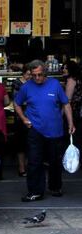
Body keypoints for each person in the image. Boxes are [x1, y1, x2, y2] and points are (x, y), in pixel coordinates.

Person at [14, 59, 75, 202]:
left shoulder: (54, 84)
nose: (37, 78)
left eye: (40, 75)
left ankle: (55, 187)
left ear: (45, 73)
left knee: (54, 161)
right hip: (35, 129)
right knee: (35, 161)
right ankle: (35, 191)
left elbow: (66, 104)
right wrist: (23, 118)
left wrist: (71, 123)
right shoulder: (27, 87)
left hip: (55, 129)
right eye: (34, 75)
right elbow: (16, 104)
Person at [12, 64, 32, 177]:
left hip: (32, 117)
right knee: (21, 144)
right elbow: (17, 101)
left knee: (30, 143)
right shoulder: (17, 83)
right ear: (23, 74)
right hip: (20, 118)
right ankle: (22, 168)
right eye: (28, 74)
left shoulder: (33, 84)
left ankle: (29, 166)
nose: (30, 77)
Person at [64, 61, 82, 151]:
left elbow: (67, 100)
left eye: (66, 68)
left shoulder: (71, 80)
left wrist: (61, 114)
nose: (63, 70)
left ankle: (71, 161)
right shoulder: (78, 79)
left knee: (71, 136)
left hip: (72, 112)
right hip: (78, 111)